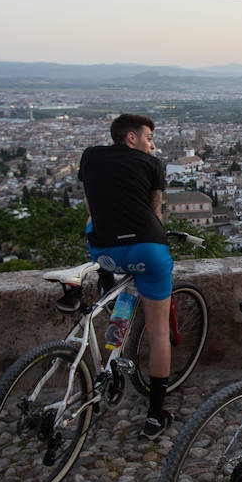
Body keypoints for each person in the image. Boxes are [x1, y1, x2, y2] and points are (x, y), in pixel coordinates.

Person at [78, 113, 175, 440]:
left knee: (121, 290)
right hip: (145, 250)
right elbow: (155, 213)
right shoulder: (153, 165)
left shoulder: (90, 157)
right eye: (149, 137)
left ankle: (112, 363)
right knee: (159, 332)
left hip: (103, 250)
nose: (153, 144)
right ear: (131, 138)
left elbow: (92, 208)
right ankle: (155, 415)